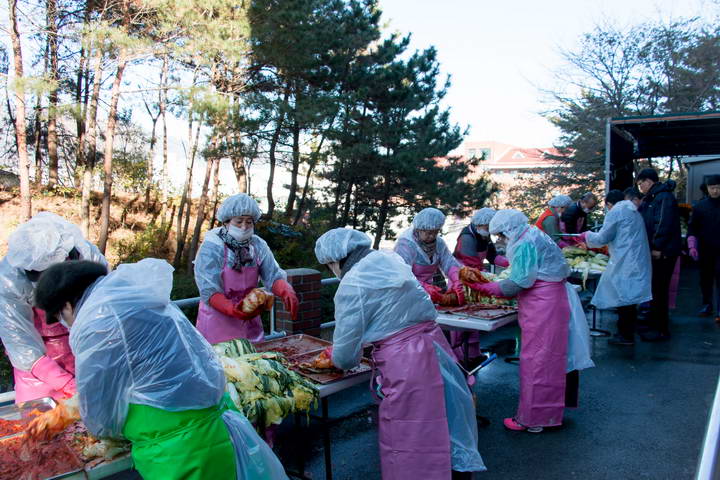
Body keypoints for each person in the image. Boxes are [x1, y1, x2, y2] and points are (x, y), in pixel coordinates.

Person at [30, 259, 288, 480]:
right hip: (218, 427)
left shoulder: (98, 323)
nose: (66, 323)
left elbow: (101, 413)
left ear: (67, 305)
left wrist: (97, 429)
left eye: (62, 316)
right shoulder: (134, 301)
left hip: (178, 451)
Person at [315, 228, 486, 479]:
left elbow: (345, 356)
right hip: (436, 348)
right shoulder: (390, 260)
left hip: (405, 364)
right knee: (449, 422)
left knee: (412, 435)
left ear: (334, 260)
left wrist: (336, 357)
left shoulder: (353, 284)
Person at [474, 210, 594, 433]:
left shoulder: (523, 243)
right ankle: (548, 414)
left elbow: (519, 282)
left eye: (501, 235)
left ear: (508, 230)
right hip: (552, 301)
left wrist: (487, 288)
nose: (500, 240)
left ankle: (532, 419)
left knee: (536, 363)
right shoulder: (532, 234)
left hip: (542, 305)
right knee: (551, 361)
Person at [0, 212, 107, 405]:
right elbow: (21, 346)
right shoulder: (9, 281)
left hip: (80, 349)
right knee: (40, 425)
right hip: (37, 369)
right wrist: (69, 385)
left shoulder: (88, 256)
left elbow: (102, 314)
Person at [194, 193, 298, 344]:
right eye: (239, 222)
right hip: (217, 323)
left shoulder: (257, 245)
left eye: (249, 222)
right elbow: (208, 290)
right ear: (227, 222)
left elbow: (272, 274)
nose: (244, 227)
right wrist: (232, 308)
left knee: (252, 363)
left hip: (249, 321)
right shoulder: (213, 246)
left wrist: (285, 289)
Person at [579, 190, 652, 345]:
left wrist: (587, 235)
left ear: (609, 204)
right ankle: (627, 333)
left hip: (626, 260)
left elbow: (603, 237)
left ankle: (625, 335)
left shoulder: (616, 211)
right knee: (630, 297)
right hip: (635, 259)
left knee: (624, 296)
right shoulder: (632, 211)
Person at [636, 168, 682, 342]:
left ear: (649, 181)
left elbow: (662, 223)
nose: (640, 187)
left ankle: (660, 329)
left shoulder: (663, 197)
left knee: (659, 290)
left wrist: (657, 246)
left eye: (641, 184)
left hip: (663, 253)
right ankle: (656, 325)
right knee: (656, 289)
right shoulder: (654, 197)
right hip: (659, 251)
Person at [394, 207, 465, 306]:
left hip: (427, 294)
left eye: (435, 232)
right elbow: (402, 275)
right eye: (429, 233)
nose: (432, 236)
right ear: (419, 229)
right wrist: (423, 287)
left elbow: (449, 263)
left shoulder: (439, 243)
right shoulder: (406, 245)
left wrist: (456, 279)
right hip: (406, 294)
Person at [688, 174, 720, 322]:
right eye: (712, 188)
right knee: (705, 278)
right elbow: (693, 227)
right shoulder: (700, 207)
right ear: (707, 189)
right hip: (705, 248)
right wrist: (692, 245)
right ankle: (707, 304)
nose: (715, 191)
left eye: (718, 188)